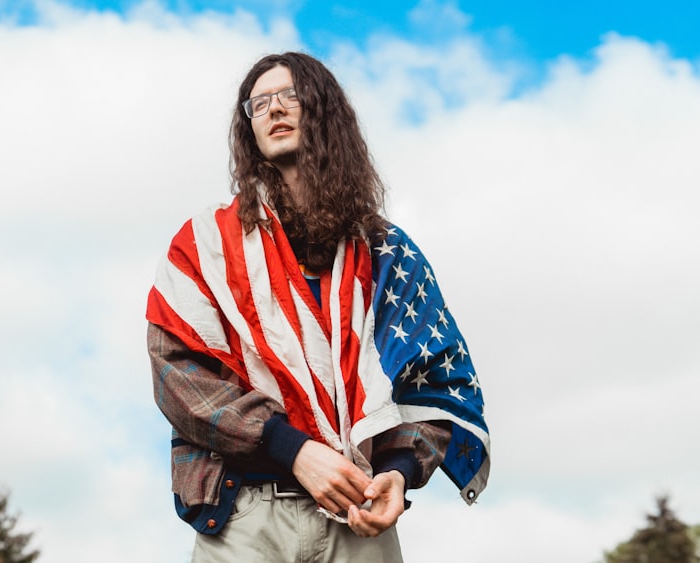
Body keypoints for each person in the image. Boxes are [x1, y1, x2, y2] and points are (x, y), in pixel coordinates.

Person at [146, 52, 490, 562]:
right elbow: (177, 374)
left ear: (323, 111)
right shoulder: (205, 246)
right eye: (258, 103)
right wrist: (294, 449)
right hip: (245, 514)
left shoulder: (387, 254)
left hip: (359, 517)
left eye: (289, 95)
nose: (273, 109)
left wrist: (398, 472)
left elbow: (434, 380)